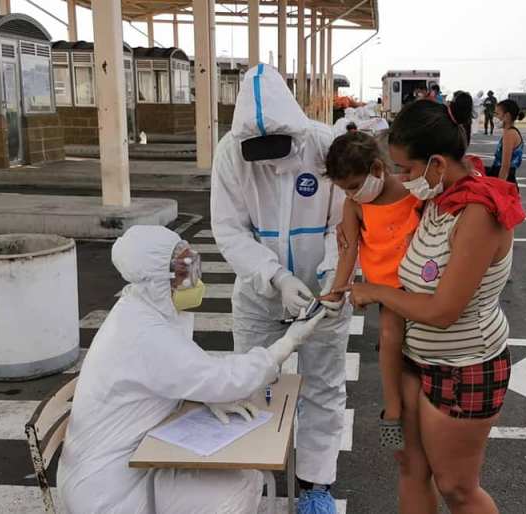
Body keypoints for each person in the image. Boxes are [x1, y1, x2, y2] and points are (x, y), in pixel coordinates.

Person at [57, 225, 326, 514]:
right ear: (156, 279)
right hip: (109, 490)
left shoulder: (145, 308)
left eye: (192, 265)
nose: (193, 280)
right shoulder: (142, 331)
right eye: (182, 271)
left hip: (134, 460)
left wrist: (207, 396)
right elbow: (219, 378)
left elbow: (188, 370)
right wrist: (288, 343)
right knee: (234, 490)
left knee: (246, 477)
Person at [342, 99, 526, 514]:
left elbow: (444, 311)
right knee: (408, 464)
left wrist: (373, 291)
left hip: (463, 371)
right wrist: (351, 214)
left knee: (456, 486)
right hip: (411, 366)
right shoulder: (436, 198)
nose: (400, 179)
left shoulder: (478, 211)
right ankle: (393, 421)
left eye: (406, 169)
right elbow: (367, 195)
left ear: (438, 165)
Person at [211, 64, 352, 514]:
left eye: (278, 149)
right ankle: (250, 476)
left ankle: (316, 484)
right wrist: (276, 277)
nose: (271, 161)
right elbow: (230, 231)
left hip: (324, 295)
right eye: (261, 152)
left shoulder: (326, 144)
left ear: (295, 126)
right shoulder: (230, 154)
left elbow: (345, 223)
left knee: (323, 387)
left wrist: (333, 274)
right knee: (251, 382)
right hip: (260, 291)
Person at [320, 130, 421, 451]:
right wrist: (337, 290)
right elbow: (348, 250)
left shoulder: (413, 190)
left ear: (377, 168)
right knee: (390, 337)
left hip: (420, 283)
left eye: (352, 186)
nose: (349, 195)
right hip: (386, 288)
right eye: (342, 190)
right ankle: (393, 411)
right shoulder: (355, 206)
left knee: (421, 347)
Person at [487, 99, 525, 185]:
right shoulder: (508, 132)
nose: (494, 117)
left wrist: (499, 188)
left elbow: (505, 167)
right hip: (499, 174)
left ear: (506, 116)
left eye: (497, 114)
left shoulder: (510, 134)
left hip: (505, 179)